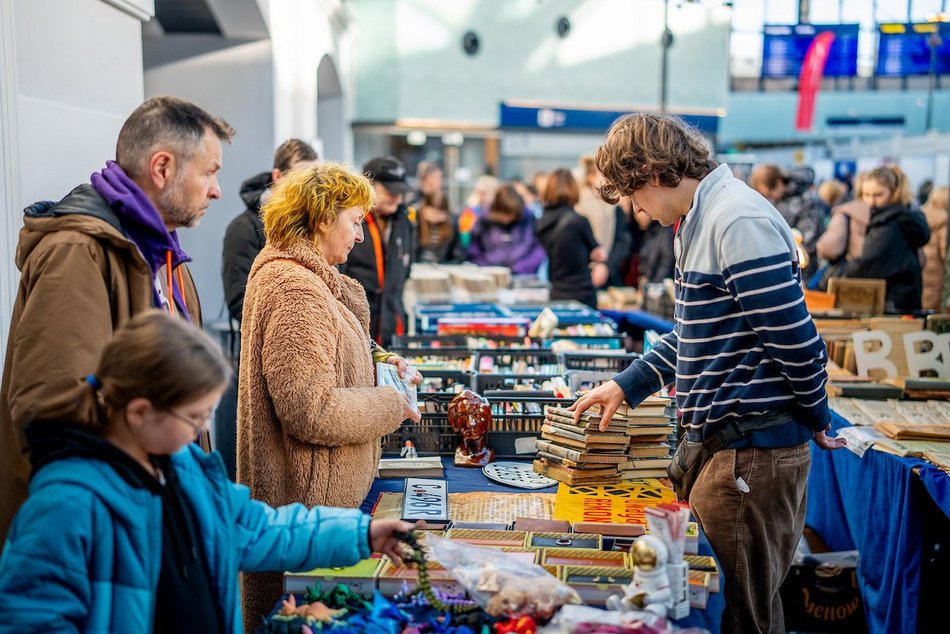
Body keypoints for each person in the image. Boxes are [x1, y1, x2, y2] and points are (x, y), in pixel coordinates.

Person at [573, 113, 846, 634]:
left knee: (744, 614)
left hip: (751, 453)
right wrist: (628, 384)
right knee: (731, 604)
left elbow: (799, 342)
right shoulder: (699, 221)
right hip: (727, 450)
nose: (637, 210)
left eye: (634, 195)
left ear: (654, 173)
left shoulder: (736, 221)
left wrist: (815, 416)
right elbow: (694, 332)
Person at [0, 312, 412, 632]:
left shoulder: (186, 470)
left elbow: (261, 529)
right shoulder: (64, 507)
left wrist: (361, 533)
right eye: (194, 416)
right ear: (140, 412)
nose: (201, 430)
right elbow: (34, 620)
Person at [0, 95, 233, 544]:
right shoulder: (78, 251)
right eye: (209, 172)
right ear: (162, 168)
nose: (216, 189)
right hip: (99, 535)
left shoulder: (167, 256)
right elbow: (52, 410)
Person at [238, 163, 422, 628]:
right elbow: (310, 409)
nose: (360, 236)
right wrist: (389, 403)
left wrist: (383, 364)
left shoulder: (312, 279)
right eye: (355, 221)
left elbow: (330, 353)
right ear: (323, 218)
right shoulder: (296, 288)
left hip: (320, 512)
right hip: (307, 514)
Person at [222, 138, 318, 324]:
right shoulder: (243, 228)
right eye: (300, 178)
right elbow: (240, 302)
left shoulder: (314, 226)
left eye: (314, 179)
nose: (309, 188)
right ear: (278, 177)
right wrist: (297, 322)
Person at [339, 156, 416, 346]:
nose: (397, 197)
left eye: (401, 192)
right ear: (369, 186)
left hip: (392, 327)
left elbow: (405, 272)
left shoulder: (405, 222)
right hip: (356, 326)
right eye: (390, 191)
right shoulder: (350, 220)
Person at [845, 165, 930, 313]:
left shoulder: (889, 223)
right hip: (905, 298)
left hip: (893, 303)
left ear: (893, 193)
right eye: (866, 194)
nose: (871, 201)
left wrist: (842, 269)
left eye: (878, 195)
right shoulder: (901, 217)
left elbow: (868, 265)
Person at [535, 168, 607, 308]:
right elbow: (597, 253)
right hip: (581, 295)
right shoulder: (578, 221)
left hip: (555, 293)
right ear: (573, 189)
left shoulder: (540, 223)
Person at [467, 183, 546, 275]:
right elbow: (474, 250)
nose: (508, 218)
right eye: (505, 214)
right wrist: (486, 267)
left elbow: (538, 250)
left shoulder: (528, 218)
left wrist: (520, 268)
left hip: (521, 275)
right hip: (489, 274)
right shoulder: (484, 219)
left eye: (512, 215)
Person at [921, 186, 949, 311]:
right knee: (933, 300)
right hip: (936, 265)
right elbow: (944, 249)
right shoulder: (944, 217)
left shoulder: (920, 212)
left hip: (921, 260)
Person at [416, 190, 463, 264]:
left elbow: (458, 254)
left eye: (439, 215)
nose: (435, 218)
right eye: (432, 214)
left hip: (440, 266)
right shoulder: (416, 223)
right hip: (418, 265)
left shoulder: (452, 226)